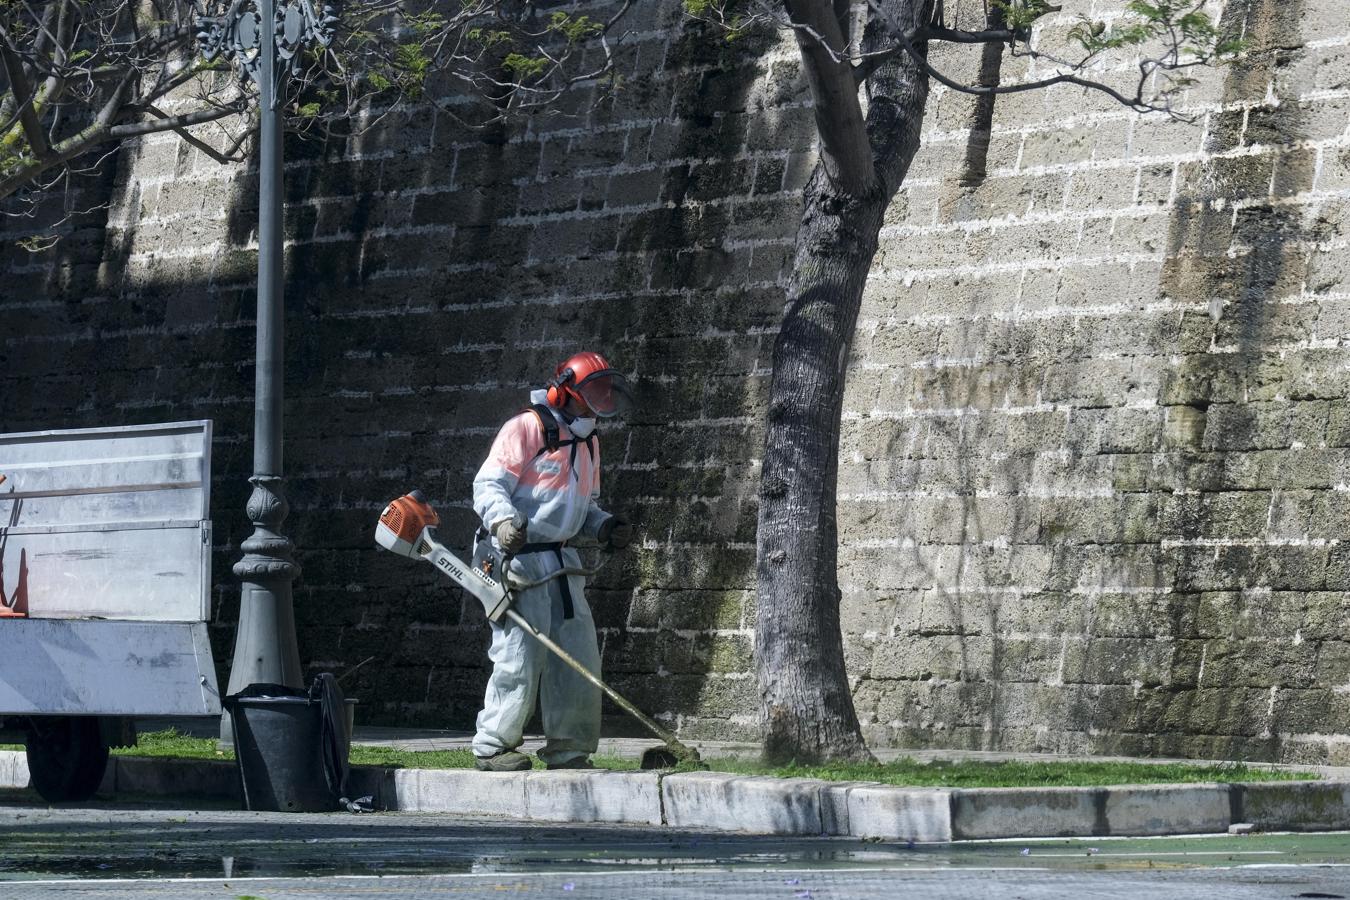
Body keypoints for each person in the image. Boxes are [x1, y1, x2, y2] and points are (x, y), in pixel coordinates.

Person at [469, 351, 635, 771]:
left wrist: (602, 525)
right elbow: (488, 486)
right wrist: (504, 522)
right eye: (590, 394)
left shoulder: (588, 441)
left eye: (602, 394)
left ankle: (569, 748)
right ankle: (492, 745)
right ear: (566, 392)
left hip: (562, 562)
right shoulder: (527, 427)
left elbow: (581, 505)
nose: (597, 404)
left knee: (577, 654)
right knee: (519, 654)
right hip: (515, 557)